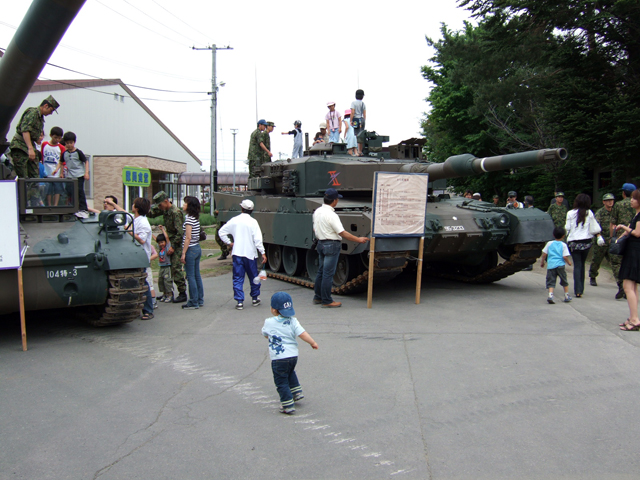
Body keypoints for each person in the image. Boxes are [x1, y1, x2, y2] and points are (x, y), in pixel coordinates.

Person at [262, 291, 318, 415]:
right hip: (293, 356)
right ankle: (296, 392)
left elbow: (265, 335)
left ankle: (287, 404)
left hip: (279, 358)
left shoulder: (269, 322)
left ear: (273, 309)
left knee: (281, 380)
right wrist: (312, 342)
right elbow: (302, 333)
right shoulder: (293, 321)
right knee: (290, 372)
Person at [312, 188, 368, 307]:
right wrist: (358, 239)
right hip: (331, 245)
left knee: (321, 271)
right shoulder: (332, 215)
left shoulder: (317, 211)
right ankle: (327, 300)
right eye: (337, 199)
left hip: (321, 244)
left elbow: (314, 228)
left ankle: (318, 297)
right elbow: (342, 232)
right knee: (328, 274)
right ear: (334, 201)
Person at [105, 196, 155, 319]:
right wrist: (113, 204)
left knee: (143, 283)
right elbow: (124, 212)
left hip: (141, 256)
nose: (131, 206)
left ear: (136, 208)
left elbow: (142, 240)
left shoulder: (143, 223)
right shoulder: (135, 218)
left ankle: (148, 310)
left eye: (133, 204)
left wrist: (128, 230)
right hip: (134, 255)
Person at [218, 199, 267, 310]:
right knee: (254, 277)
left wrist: (229, 242)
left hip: (237, 253)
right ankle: (255, 298)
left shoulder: (234, 220)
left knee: (238, 277)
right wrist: (263, 252)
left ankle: (239, 301)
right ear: (252, 210)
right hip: (250, 254)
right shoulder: (253, 222)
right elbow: (258, 239)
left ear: (242, 208)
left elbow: (221, 232)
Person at [148, 191, 188, 303]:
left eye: (160, 205)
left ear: (166, 201)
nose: (160, 207)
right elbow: (151, 213)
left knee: (175, 268)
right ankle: (167, 292)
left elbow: (180, 232)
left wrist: (173, 247)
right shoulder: (165, 210)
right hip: (168, 243)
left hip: (176, 244)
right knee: (165, 270)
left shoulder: (175, 212)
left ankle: (182, 292)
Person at [10, 95, 59, 178]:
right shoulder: (32, 113)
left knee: (34, 175)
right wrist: (30, 148)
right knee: (23, 176)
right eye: (51, 110)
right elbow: (25, 130)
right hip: (20, 146)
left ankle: (33, 187)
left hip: (29, 145)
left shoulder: (40, 118)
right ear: (46, 106)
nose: (51, 113)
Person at [565, 193, 601, 298]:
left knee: (577, 265)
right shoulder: (589, 213)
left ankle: (577, 290)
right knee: (582, 264)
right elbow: (595, 228)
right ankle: (581, 289)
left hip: (573, 242)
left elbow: (567, 228)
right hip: (586, 242)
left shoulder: (570, 213)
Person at [615, 189, 640, 331]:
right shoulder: (636, 214)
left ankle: (635, 319)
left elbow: (637, 233)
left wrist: (623, 226)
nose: (631, 201)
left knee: (627, 287)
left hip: (634, 253)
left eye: (634, 198)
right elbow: (630, 231)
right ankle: (632, 317)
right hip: (632, 251)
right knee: (633, 287)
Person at [610, 183, 637, 300]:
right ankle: (630, 287)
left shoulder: (618, 205)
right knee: (629, 264)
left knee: (616, 262)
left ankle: (621, 284)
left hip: (621, 236)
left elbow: (613, 222)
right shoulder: (636, 207)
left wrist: (612, 238)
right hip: (633, 239)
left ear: (623, 193)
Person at [180, 196, 204, 310]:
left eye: (185, 203)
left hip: (190, 249)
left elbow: (188, 237)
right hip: (197, 248)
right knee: (196, 275)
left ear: (189, 206)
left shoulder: (189, 220)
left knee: (190, 276)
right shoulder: (195, 218)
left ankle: (194, 301)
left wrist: (183, 253)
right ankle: (199, 299)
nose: (183, 205)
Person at [540, 226, 573, 304]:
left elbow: (544, 254)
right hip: (560, 265)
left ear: (553, 235)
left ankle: (550, 295)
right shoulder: (563, 245)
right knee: (564, 280)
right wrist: (569, 262)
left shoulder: (549, 243)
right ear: (563, 236)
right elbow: (564, 256)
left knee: (551, 281)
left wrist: (542, 262)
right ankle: (566, 295)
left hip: (551, 265)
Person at [589, 193, 616, 286]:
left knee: (614, 261)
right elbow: (595, 225)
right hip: (601, 240)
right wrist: (598, 236)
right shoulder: (600, 213)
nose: (610, 202)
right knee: (596, 260)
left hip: (611, 240)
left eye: (611, 200)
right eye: (608, 200)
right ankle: (593, 276)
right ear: (604, 202)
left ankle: (619, 280)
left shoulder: (615, 212)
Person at [62, 131, 90, 218]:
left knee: (80, 191)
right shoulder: (65, 153)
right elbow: (61, 162)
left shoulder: (78, 152)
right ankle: (72, 208)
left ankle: (83, 209)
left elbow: (86, 161)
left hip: (79, 175)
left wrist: (86, 173)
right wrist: (61, 173)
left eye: (71, 143)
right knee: (70, 192)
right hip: (70, 176)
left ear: (74, 142)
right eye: (67, 143)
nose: (69, 145)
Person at [41, 126, 66, 207]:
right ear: (51, 135)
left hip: (56, 172)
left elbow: (62, 161)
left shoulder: (61, 147)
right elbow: (41, 157)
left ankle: (55, 205)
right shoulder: (44, 144)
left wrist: (61, 173)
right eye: (55, 137)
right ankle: (49, 205)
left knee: (57, 190)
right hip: (47, 171)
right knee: (48, 190)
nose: (57, 140)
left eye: (59, 138)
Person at [156, 232, 174, 303]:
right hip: (161, 267)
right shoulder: (160, 249)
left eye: (162, 242)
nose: (161, 244)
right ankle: (164, 294)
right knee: (161, 281)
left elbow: (167, 238)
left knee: (167, 281)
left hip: (167, 266)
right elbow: (155, 239)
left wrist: (162, 229)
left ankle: (170, 294)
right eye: (159, 243)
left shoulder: (167, 248)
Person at [350, 89, 366, 156]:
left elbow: (352, 112)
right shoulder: (363, 103)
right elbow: (364, 114)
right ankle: (360, 151)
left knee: (357, 135)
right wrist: (364, 120)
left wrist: (351, 120)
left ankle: (358, 151)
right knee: (361, 136)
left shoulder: (353, 103)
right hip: (361, 119)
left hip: (356, 120)